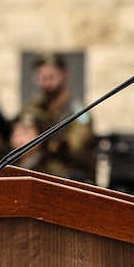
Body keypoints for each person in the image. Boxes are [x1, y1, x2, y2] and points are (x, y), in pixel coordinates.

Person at [19, 52, 96, 182]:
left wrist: (47, 143)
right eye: (41, 77)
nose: (46, 82)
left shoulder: (78, 111)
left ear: (65, 73)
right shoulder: (34, 107)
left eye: (51, 76)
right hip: (37, 176)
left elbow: (78, 143)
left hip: (69, 178)